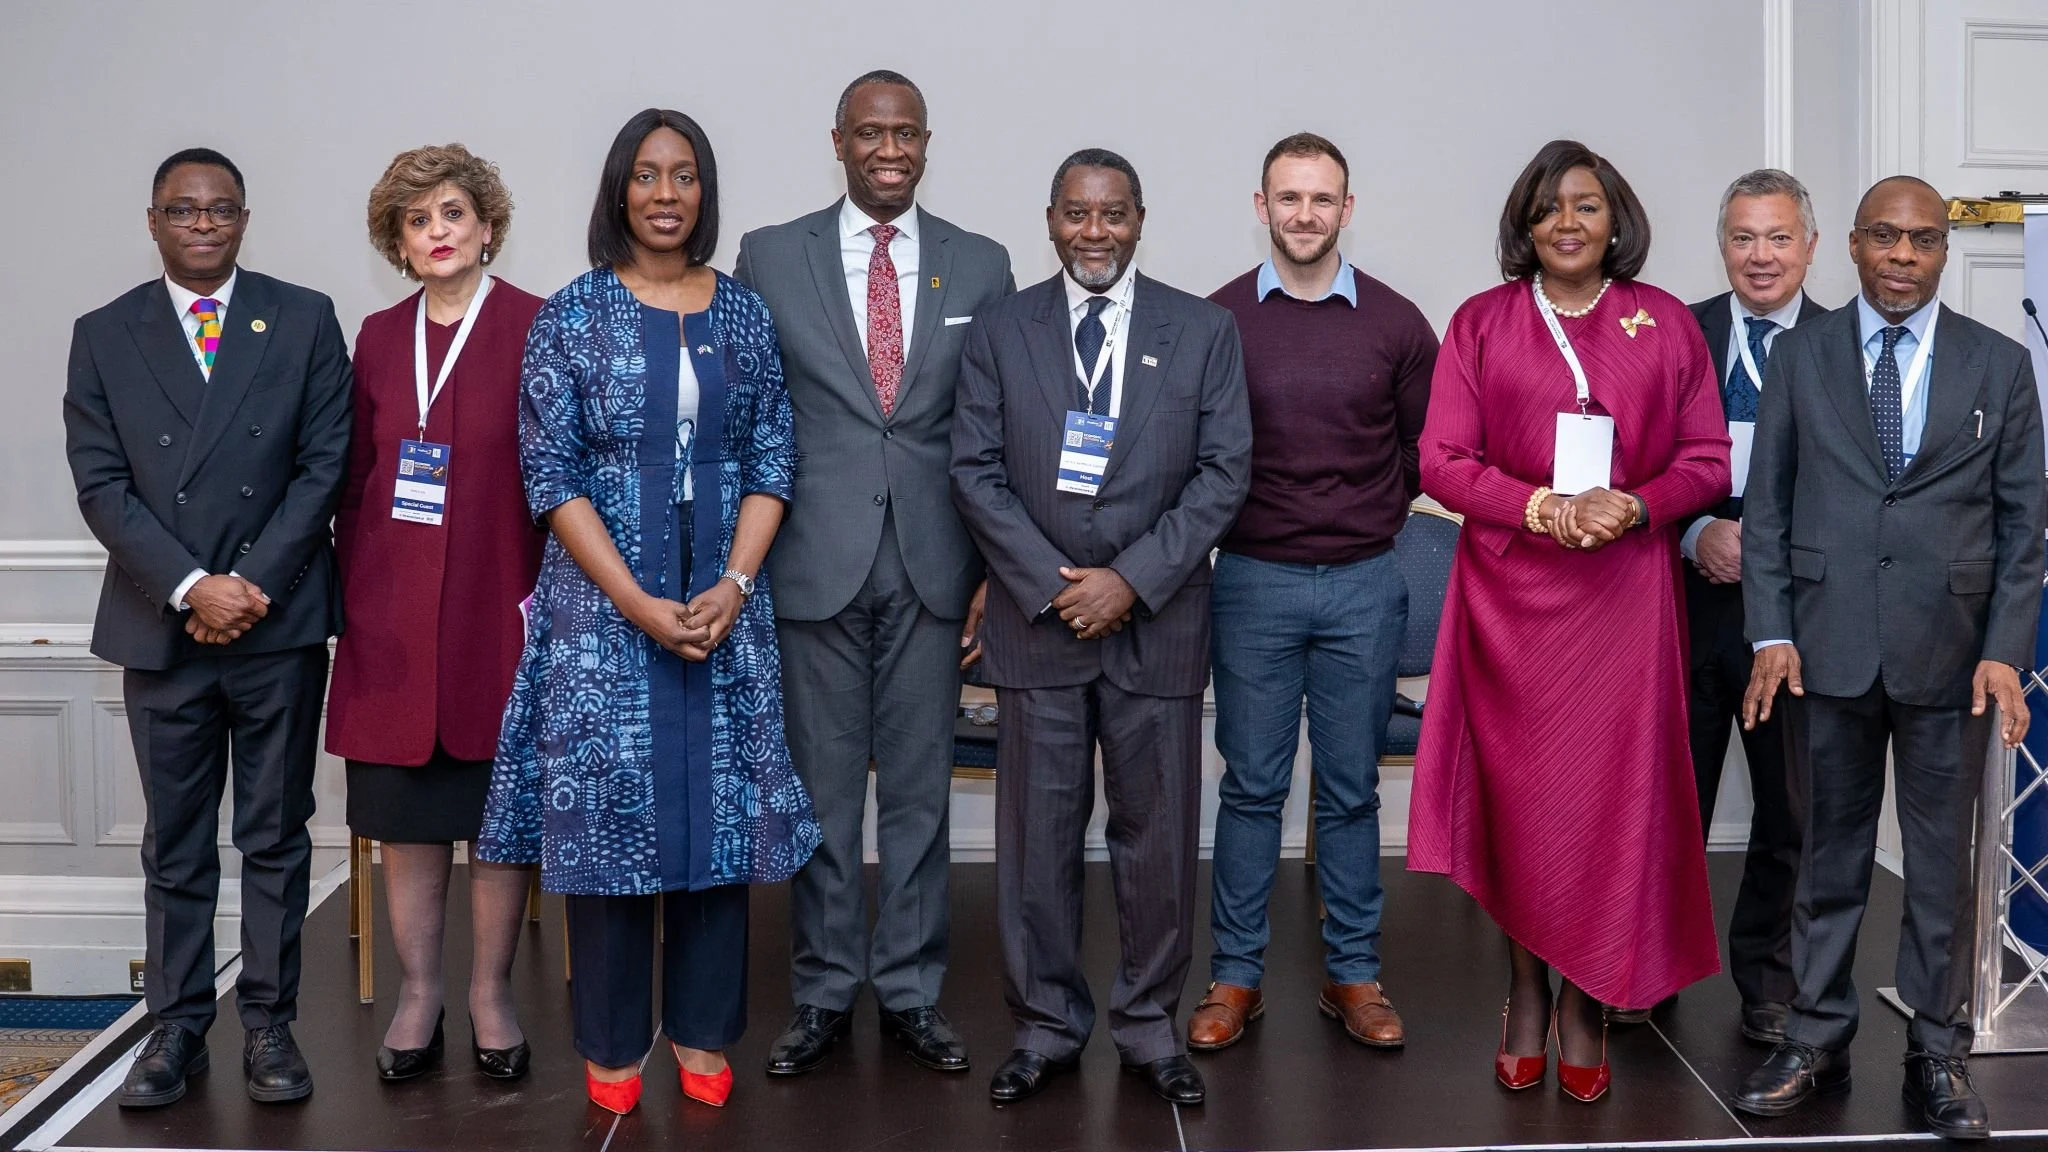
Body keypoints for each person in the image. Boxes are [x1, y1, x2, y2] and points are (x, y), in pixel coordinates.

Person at [474, 109, 822, 1117]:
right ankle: (613, 1041)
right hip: (599, 617)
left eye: (683, 175)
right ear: (618, 191)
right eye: (645, 174)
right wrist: (631, 600)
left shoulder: (744, 314)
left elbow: (772, 456)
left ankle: (705, 1032)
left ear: (704, 192)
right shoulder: (571, 314)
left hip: (724, 608)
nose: (665, 194)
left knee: (720, 819)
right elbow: (550, 472)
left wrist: (735, 585)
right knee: (607, 820)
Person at [1408, 139, 1729, 1104]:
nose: (1567, 223)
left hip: (1623, 599)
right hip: (1512, 599)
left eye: (1586, 205)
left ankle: (1586, 996)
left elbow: (1708, 461)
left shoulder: (1664, 322)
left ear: (1615, 218)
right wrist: (1542, 507)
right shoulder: (1482, 322)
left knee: (1608, 800)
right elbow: (1441, 462)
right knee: (1520, 800)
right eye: (1548, 208)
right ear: (1525, 224)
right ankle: (1524, 988)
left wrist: (1636, 505)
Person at [1733, 175, 2043, 1141]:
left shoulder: (2000, 365)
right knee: (1824, 854)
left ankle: (1938, 1050)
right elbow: (1768, 508)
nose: (1902, 255)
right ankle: (1815, 1036)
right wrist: (1772, 633)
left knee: (1942, 867)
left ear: (1945, 250)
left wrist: (2005, 651)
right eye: (1884, 236)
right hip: (1824, 649)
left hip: (1953, 655)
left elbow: (2023, 527)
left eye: (1922, 239)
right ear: (1853, 245)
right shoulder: (1802, 355)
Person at [951, 148, 1252, 1106]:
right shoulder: (1001, 329)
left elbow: (1224, 473)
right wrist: (1058, 586)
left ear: (1139, 221)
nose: (1095, 232)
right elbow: (974, 471)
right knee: (1035, 846)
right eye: (1077, 214)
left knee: (1157, 842)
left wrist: (1130, 581)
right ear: (1050, 220)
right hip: (1039, 625)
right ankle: (1044, 1026)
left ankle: (1150, 1025)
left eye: (1113, 214)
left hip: (1155, 625)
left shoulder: (1202, 330)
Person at [734, 70, 1014, 1077]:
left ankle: (907, 989)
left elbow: (997, 425)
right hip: (812, 563)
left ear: (926, 143)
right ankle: (820, 991)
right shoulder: (770, 257)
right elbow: (748, 414)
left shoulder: (981, 264)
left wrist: (995, 568)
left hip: (937, 568)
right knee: (819, 798)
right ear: (838, 141)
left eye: (905, 134)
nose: (888, 150)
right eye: (869, 133)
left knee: (918, 797)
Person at [64, 148, 351, 1107]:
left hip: (276, 622)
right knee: (177, 843)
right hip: (162, 627)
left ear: (244, 220)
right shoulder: (105, 333)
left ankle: (269, 1024)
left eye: (220, 209)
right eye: (183, 210)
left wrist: (249, 586)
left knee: (274, 835)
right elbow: (101, 484)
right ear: (152, 221)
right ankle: (177, 1026)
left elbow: (325, 465)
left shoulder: (303, 317)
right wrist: (193, 587)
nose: (202, 224)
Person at [1189, 132, 1437, 1054]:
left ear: (1347, 209)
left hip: (1366, 585)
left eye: (1322, 198)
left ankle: (1353, 974)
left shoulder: (1398, 323)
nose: (1305, 214)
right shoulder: (1218, 320)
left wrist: (1363, 516)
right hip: (1251, 583)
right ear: (1262, 206)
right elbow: (1197, 452)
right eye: (1288, 197)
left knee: (1350, 791)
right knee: (1251, 787)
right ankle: (1235, 977)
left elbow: (1423, 450)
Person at [324, 144, 544, 1082]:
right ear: (399, 244)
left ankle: (491, 994)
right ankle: (421, 993)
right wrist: (351, 597)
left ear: (487, 227)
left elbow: (562, 482)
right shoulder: (378, 337)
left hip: (502, 612)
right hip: (391, 624)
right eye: (417, 221)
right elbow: (353, 481)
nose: (437, 232)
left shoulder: (537, 324)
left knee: (497, 818)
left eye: (452, 213)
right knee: (406, 819)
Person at [1667, 168, 1828, 1045]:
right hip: (1682, 607)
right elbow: (1631, 461)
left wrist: (1767, 550)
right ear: (1722, 245)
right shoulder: (1677, 334)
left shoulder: (1847, 345)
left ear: (1810, 245)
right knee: (1668, 802)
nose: (1760, 257)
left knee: (1790, 810)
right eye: (1743, 238)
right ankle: (1649, 969)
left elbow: (1863, 488)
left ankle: (1769, 980)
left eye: (1777, 237)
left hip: (1795, 620)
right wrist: (1696, 531)